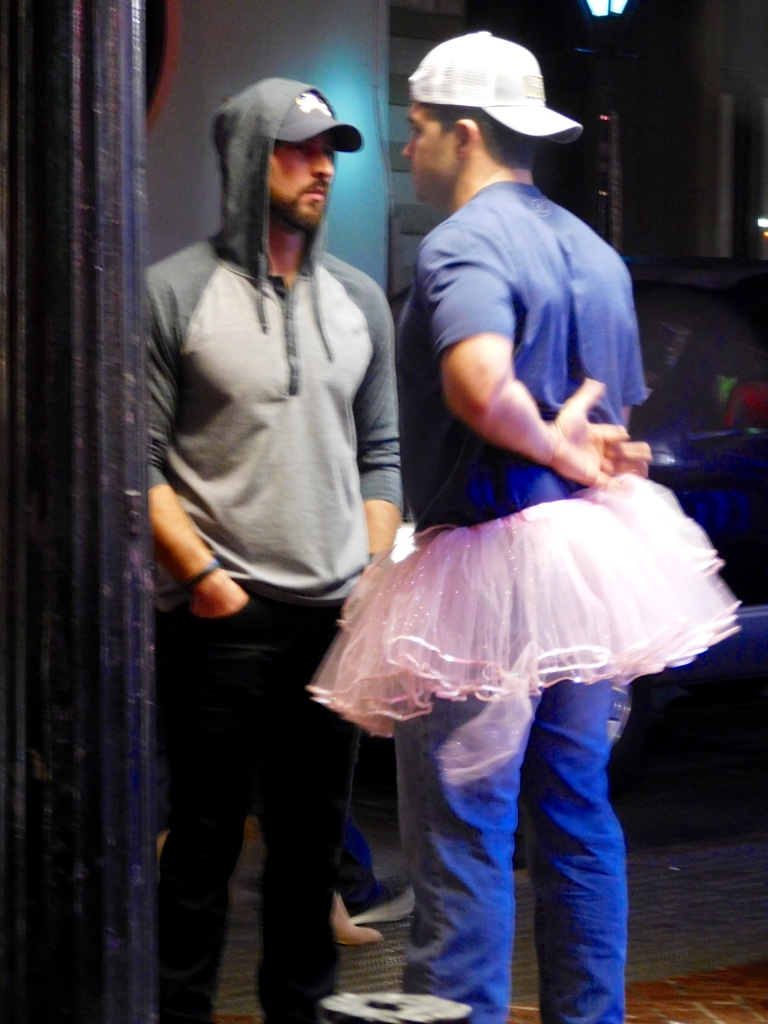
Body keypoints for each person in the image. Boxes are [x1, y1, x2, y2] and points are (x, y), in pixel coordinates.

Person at [309, 32, 738, 1024]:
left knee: (464, 841)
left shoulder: (463, 243)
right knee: (577, 818)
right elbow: (613, 426)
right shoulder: (594, 253)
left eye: (418, 128)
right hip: (584, 570)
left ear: (465, 133)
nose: (406, 147)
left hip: (488, 569)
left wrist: (544, 442)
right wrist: (580, 450)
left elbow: (477, 382)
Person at [148, 77, 401, 1024]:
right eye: (299, 149)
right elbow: (137, 462)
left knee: (309, 853)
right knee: (202, 846)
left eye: (330, 150)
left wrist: (371, 576)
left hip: (333, 621)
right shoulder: (174, 292)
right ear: (250, 157)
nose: (321, 168)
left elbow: (382, 452)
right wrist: (205, 581)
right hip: (222, 619)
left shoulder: (359, 300)